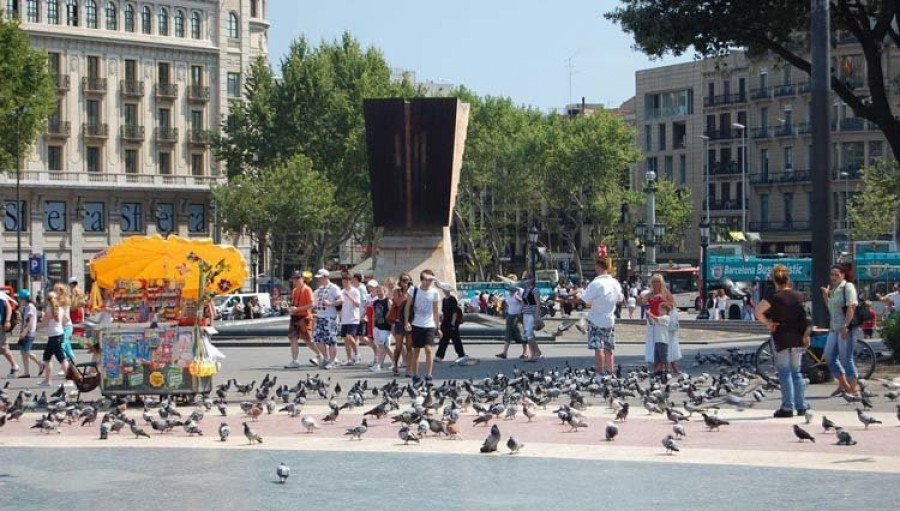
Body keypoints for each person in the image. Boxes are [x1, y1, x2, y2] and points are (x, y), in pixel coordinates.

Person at [755, 264, 810, 417]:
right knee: (796, 371)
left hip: (781, 337)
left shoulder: (773, 297)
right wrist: (806, 335)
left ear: (775, 281)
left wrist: (769, 323)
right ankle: (801, 405)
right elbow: (806, 319)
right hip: (798, 337)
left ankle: (787, 406)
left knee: (784, 372)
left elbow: (758, 311)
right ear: (788, 279)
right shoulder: (799, 296)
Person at [822, 264, 861, 396]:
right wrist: (826, 296)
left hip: (846, 328)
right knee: (829, 356)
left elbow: (852, 306)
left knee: (846, 358)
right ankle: (844, 385)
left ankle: (854, 388)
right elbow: (832, 310)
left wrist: (846, 326)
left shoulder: (847, 287)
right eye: (831, 274)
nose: (833, 277)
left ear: (843, 275)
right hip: (834, 328)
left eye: (836, 274)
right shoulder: (834, 289)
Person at [582, 258, 623, 374]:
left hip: (596, 318)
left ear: (599, 267)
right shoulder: (615, 283)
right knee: (608, 347)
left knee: (598, 347)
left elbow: (585, 299)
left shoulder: (596, 283)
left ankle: (600, 372)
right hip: (609, 318)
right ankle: (610, 370)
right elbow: (620, 298)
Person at [403, 269, 440, 383]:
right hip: (416, 324)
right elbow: (407, 306)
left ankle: (429, 375)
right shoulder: (413, 290)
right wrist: (406, 322)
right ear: (422, 280)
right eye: (426, 279)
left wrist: (438, 327)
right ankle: (416, 375)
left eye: (430, 280)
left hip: (429, 324)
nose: (429, 282)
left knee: (428, 349)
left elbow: (435, 310)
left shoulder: (434, 292)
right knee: (417, 350)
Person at [639, 274, 675, 375]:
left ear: (661, 283)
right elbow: (641, 302)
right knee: (653, 343)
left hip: (662, 320)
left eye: (657, 282)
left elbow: (672, 305)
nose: (655, 284)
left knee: (663, 344)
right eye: (653, 282)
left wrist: (663, 301)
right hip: (651, 319)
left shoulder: (665, 293)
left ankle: (666, 367)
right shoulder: (650, 293)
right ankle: (656, 365)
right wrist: (642, 297)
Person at [286, 270, 318, 369]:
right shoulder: (294, 291)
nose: (296, 280)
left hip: (304, 317)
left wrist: (298, 309)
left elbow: (312, 304)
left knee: (308, 340)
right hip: (295, 317)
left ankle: (320, 354)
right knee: (293, 338)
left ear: (302, 279)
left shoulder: (307, 290)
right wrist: (291, 309)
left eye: (298, 278)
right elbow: (294, 304)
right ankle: (295, 360)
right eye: (294, 279)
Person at [39, 289, 71, 386]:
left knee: (60, 359)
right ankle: (47, 381)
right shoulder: (60, 309)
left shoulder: (49, 310)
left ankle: (69, 381)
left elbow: (43, 324)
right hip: (59, 335)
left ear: (47, 300)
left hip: (54, 337)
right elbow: (67, 320)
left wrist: (35, 328)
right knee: (48, 358)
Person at [312, 268, 341, 369]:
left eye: (321, 278)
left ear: (326, 277)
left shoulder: (334, 288)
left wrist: (331, 303)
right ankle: (326, 358)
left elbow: (341, 300)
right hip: (320, 317)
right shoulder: (318, 290)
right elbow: (313, 303)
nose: (319, 280)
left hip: (330, 317)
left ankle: (332, 361)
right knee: (318, 339)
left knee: (331, 340)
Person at [435, 282, 468, 365]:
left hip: (452, 322)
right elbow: (444, 312)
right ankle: (439, 356)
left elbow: (455, 312)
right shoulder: (444, 300)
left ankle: (461, 354)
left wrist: (453, 323)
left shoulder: (452, 299)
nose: (444, 291)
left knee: (455, 339)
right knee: (444, 340)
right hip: (445, 322)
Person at [497, 274, 527, 360]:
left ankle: (525, 353)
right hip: (510, 315)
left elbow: (525, 302)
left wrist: (520, 300)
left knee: (521, 334)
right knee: (508, 334)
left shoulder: (520, 291)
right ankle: (504, 353)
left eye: (509, 281)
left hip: (518, 316)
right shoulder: (509, 292)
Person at [336, 273, 362, 366]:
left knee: (349, 337)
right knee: (346, 341)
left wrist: (349, 297)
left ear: (350, 281)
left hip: (353, 318)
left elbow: (358, 304)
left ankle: (357, 354)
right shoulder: (341, 291)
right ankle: (349, 359)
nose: (345, 283)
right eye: (343, 281)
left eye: (347, 281)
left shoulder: (355, 291)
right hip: (344, 319)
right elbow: (339, 305)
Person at [16, 290, 42, 378]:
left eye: (19, 298)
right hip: (26, 331)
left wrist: (24, 331)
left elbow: (29, 321)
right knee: (23, 352)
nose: (18, 299)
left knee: (26, 352)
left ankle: (40, 364)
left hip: (28, 332)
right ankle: (26, 372)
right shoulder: (26, 306)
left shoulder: (30, 307)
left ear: (23, 298)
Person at [390, 273, 413, 377]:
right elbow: (399, 303)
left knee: (409, 346)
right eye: (404, 280)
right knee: (398, 347)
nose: (406, 282)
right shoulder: (397, 292)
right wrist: (406, 294)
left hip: (410, 321)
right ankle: (395, 365)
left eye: (408, 280)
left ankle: (408, 369)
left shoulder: (413, 292)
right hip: (399, 321)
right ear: (400, 282)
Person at [369, 282, 392, 372]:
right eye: (377, 291)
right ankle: (393, 362)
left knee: (383, 346)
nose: (378, 292)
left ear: (384, 291)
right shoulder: (375, 302)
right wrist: (373, 326)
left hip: (386, 327)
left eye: (380, 291)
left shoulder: (388, 301)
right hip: (377, 327)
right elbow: (374, 314)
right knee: (383, 346)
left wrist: (392, 327)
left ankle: (378, 365)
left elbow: (392, 314)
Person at [646, 302, 673, 376]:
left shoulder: (666, 317)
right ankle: (659, 370)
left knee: (664, 357)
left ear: (665, 310)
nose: (658, 310)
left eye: (660, 309)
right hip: (657, 340)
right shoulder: (660, 317)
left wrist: (650, 313)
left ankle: (668, 370)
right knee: (657, 358)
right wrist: (648, 317)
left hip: (663, 340)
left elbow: (656, 319)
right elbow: (652, 323)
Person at [521, 275, 543, 363]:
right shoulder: (525, 290)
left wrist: (536, 316)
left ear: (532, 280)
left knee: (529, 335)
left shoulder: (535, 290)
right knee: (528, 335)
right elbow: (523, 302)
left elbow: (538, 304)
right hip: (525, 313)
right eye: (525, 279)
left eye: (528, 279)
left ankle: (537, 351)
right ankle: (533, 354)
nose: (526, 281)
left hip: (532, 314)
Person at [0, 290, 18, 377]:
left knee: (4, 348)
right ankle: (14, 366)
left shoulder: (1, 296)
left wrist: (7, 321)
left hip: (0, 326)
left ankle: (15, 366)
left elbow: (9, 308)